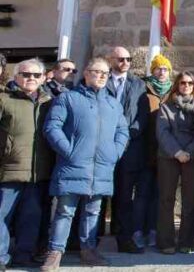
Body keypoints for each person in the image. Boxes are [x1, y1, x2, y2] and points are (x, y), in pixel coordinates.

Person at [40, 57, 129, 271]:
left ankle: (88, 251)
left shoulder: (112, 103)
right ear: (86, 73)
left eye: (105, 73)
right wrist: (69, 151)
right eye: (96, 72)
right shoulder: (68, 98)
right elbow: (52, 127)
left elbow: (122, 131)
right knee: (65, 211)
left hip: (101, 167)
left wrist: (114, 153)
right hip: (73, 165)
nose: (101, 76)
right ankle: (55, 252)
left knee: (93, 212)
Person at [0, 59, 54, 269]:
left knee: (31, 217)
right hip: (9, 170)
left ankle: (24, 255)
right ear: (16, 76)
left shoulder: (49, 102)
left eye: (35, 75)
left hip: (38, 172)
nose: (30, 78)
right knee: (2, 216)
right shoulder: (4, 99)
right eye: (25, 74)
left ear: (42, 78)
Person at [155, 70, 194, 253]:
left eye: (190, 83)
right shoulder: (166, 107)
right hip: (169, 157)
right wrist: (177, 152)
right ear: (177, 85)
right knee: (166, 199)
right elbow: (163, 132)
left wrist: (190, 152)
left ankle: (186, 241)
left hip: (192, 158)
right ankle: (166, 242)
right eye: (183, 83)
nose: (186, 86)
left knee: (190, 200)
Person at [106, 47, 153, 254]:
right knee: (95, 195)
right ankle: (84, 241)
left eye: (129, 59)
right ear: (111, 60)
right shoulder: (101, 80)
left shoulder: (138, 85)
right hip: (101, 147)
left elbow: (142, 117)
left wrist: (125, 138)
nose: (125, 62)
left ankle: (124, 239)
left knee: (125, 195)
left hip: (129, 148)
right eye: (121, 59)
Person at [136, 54, 174, 250]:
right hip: (145, 148)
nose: (162, 72)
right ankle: (137, 230)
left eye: (165, 68)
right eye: (158, 68)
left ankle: (153, 229)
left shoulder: (173, 92)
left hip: (166, 152)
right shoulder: (143, 89)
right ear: (153, 70)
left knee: (160, 194)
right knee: (142, 193)